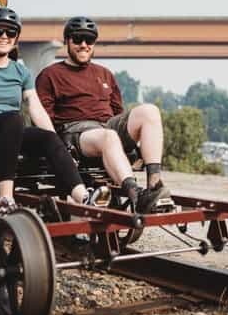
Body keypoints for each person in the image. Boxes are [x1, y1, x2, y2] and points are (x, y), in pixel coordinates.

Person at [0, 7, 109, 214]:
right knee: (14, 119)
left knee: (48, 137)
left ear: (16, 37)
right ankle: (6, 197)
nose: (4, 36)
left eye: (10, 32)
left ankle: (83, 197)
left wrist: (55, 140)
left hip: (12, 134)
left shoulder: (21, 71)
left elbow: (36, 108)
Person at [35, 16, 173, 214]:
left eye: (89, 40)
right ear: (67, 41)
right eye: (78, 39)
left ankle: (154, 185)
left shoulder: (104, 73)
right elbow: (43, 117)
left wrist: (133, 147)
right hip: (75, 133)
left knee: (150, 111)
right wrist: (59, 149)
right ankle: (135, 194)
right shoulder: (50, 75)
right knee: (109, 137)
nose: (84, 45)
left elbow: (118, 112)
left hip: (107, 126)